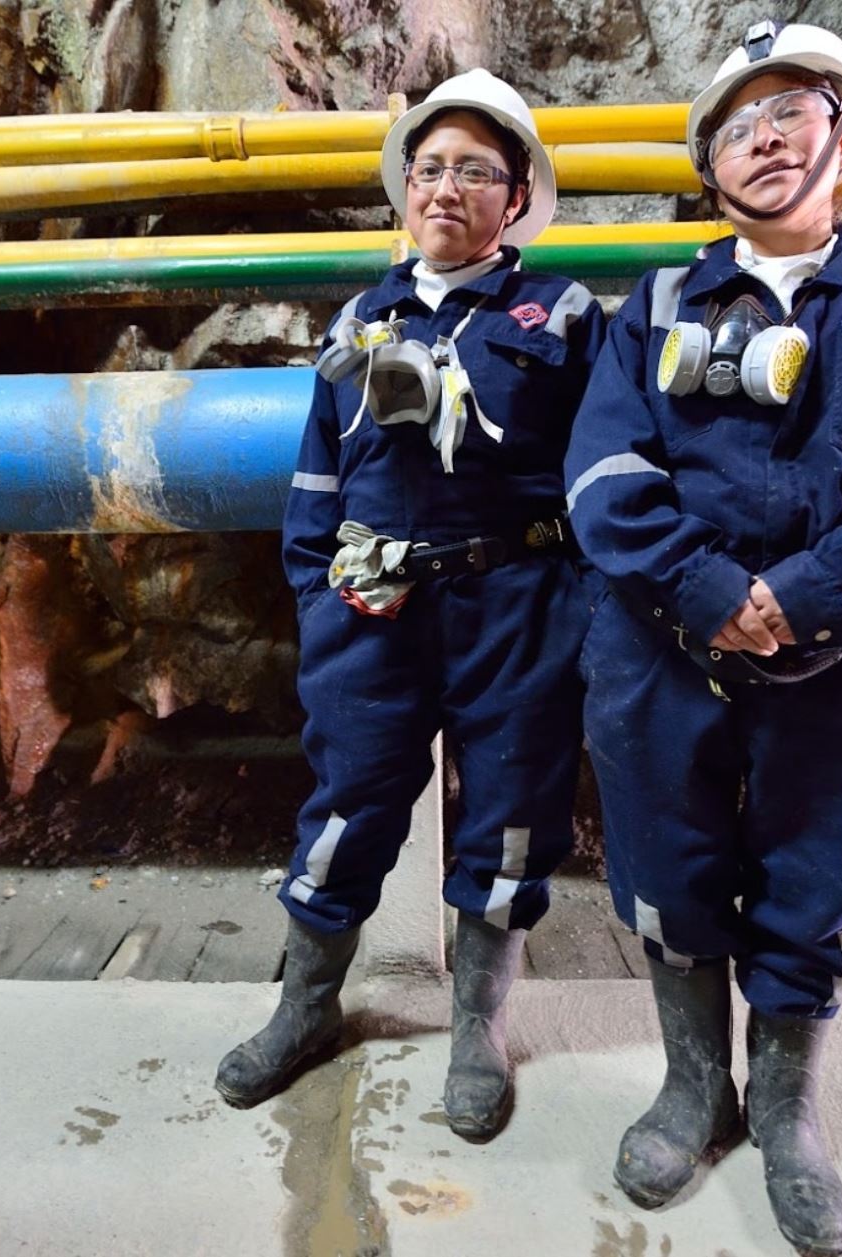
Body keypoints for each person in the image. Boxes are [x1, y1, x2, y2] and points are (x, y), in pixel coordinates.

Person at [563, 21, 842, 1254]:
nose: (761, 140)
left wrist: (807, 595)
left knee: (833, 869)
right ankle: (689, 1085)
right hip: (667, 648)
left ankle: (787, 1114)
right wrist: (711, 591)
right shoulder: (654, 304)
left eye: (789, 115)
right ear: (706, 165)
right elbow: (604, 471)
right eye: (733, 128)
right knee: (667, 856)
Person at [215, 69, 606, 1143]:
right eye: (429, 168)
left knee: (514, 817)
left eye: (476, 171)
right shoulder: (360, 317)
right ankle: (304, 1008)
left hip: (517, 609)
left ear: (516, 195)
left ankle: (478, 1029)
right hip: (374, 612)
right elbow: (314, 479)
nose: (447, 189)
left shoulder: (563, 319)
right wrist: (320, 596)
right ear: (404, 191)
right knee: (347, 808)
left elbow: (606, 475)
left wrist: (576, 613)